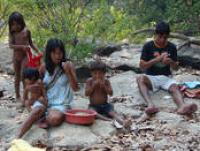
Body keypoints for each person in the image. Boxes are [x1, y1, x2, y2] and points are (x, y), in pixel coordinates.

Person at [17, 38, 79, 138]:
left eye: (60, 53)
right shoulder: (43, 67)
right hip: (45, 100)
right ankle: (17, 137)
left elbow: (76, 88)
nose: (58, 56)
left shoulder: (69, 65)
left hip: (61, 103)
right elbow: (36, 85)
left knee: (53, 119)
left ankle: (43, 116)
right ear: (49, 54)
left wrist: (68, 72)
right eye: (54, 53)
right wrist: (34, 93)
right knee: (35, 111)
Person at [137, 21, 197, 121]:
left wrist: (171, 62)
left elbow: (176, 68)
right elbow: (142, 66)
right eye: (160, 37)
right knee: (140, 78)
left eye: (165, 37)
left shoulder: (172, 47)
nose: (162, 40)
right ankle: (150, 105)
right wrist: (157, 59)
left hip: (166, 77)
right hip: (151, 77)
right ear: (155, 34)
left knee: (175, 87)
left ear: (168, 36)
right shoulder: (148, 46)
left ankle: (182, 106)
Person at [85, 61, 131, 128]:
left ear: (104, 74)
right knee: (92, 112)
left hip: (105, 105)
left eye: (100, 73)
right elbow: (86, 94)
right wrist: (93, 86)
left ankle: (123, 122)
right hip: (93, 105)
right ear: (91, 73)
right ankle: (109, 120)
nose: (97, 76)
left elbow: (111, 93)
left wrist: (104, 86)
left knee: (112, 113)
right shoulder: (89, 81)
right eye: (95, 73)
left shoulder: (106, 81)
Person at [8, 12, 40, 104]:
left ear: (22, 22)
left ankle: (25, 96)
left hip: (25, 56)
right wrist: (21, 47)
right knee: (17, 76)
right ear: (10, 25)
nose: (16, 26)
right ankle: (17, 95)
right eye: (13, 24)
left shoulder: (26, 31)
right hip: (16, 57)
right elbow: (11, 45)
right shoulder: (12, 33)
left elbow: (31, 43)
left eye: (18, 23)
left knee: (23, 76)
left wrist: (38, 51)